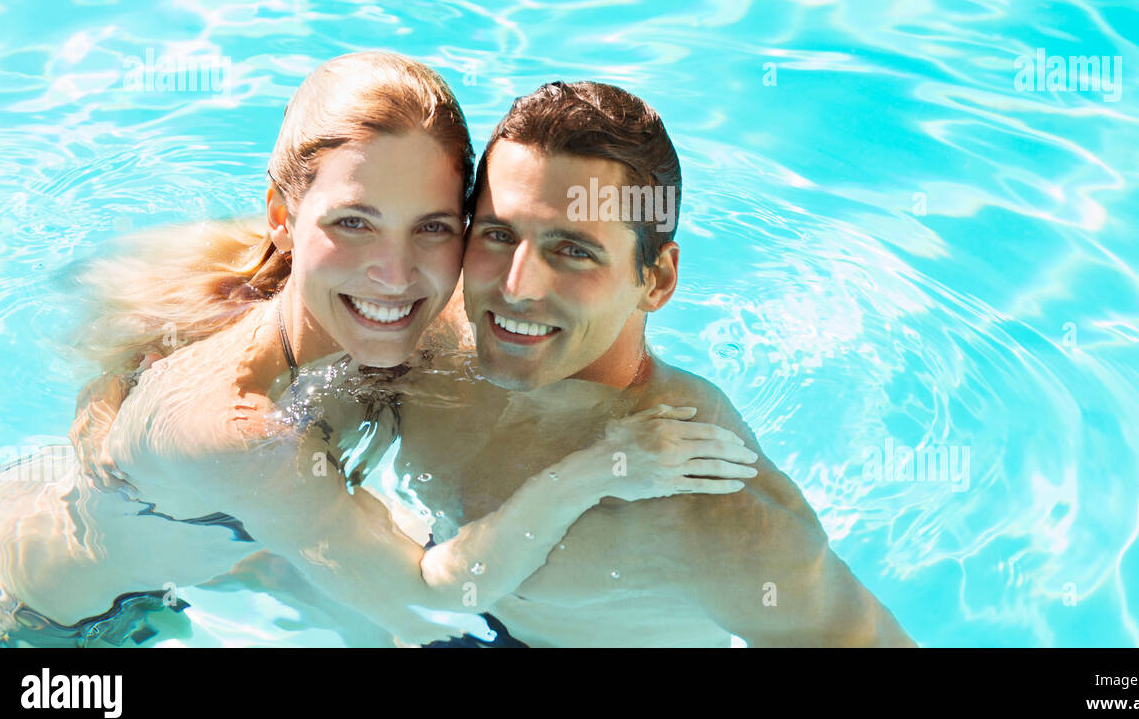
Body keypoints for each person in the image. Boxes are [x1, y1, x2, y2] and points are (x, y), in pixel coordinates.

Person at [0, 54, 757, 647]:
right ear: (283, 215)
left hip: (194, 553)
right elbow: (433, 592)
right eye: (354, 222)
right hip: (38, 628)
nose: (395, 273)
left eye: (432, 226)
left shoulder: (347, 310)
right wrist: (598, 468)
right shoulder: (231, 425)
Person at [377, 80, 916, 646]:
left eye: (574, 251)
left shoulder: (705, 504)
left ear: (655, 280)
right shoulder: (423, 343)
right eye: (499, 234)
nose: (516, 288)